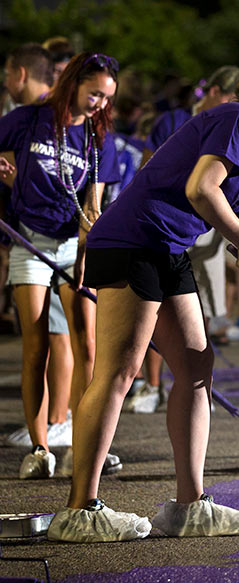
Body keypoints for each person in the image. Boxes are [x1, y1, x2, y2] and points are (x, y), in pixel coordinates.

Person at [47, 55, 239, 543]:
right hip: (132, 240)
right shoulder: (238, 118)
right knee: (119, 371)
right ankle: (80, 510)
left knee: (195, 367)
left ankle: (189, 506)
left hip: (167, 246)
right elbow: (200, 188)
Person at [0, 52, 122, 479]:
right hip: (29, 240)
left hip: (74, 246)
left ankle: (84, 445)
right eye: (95, 94)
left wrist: (88, 256)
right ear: (74, 83)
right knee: (36, 347)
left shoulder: (98, 137)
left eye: (107, 98)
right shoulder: (29, 120)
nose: (100, 104)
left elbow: (94, 206)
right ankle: (39, 448)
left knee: (87, 342)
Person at [124, 65, 239, 414]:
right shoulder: (173, 120)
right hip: (163, 224)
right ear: (217, 92)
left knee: (198, 308)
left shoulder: (232, 126)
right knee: (152, 306)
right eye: (232, 98)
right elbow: (148, 169)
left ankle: (191, 384)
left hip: (200, 226)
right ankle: (152, 383)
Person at [1, 43, 76, 452]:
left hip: (60, 240)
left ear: (22, 75)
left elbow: (69, 187)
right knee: (44, 339)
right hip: (32, 237)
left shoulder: (57, 119)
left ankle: (58, 421)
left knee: (61, 337)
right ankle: (46, 431)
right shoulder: (21, 120)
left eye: (8, 75)